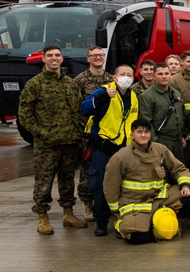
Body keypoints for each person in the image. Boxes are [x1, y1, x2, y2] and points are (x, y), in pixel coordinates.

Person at [18, 45, 88, 235]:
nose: (54, 58)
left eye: (57, 55)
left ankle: (68, 213)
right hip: (47, 144)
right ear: (43, 59)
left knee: (67, 180)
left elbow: (79, 110)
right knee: (44, 182)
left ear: (62, 58)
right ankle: (43, 217)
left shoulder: (71, 84)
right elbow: (24, 114)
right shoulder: (35, 84)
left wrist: (80, 130)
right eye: (50, 55)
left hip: (70, 141)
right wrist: (40, 133)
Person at [103, 118, 190, 243]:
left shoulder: (160, 150)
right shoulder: (121, 157)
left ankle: (160, 219)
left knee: (188, 196)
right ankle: (121, 225)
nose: (143, 135)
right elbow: (110, 186)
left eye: (146, 132)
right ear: (132, 135)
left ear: (150, 134)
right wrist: (116, 212)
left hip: (159, 198)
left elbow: (179, 168)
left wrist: (185, 186)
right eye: (139, 132)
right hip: (135, 204)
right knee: (137, 238)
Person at [82, 63, 140, 236]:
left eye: (129, 75)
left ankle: (120, 219)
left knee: (124, 186)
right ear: (114, 77)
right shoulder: (104, 91)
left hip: (124, 149)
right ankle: (101, 221)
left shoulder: (134, 96)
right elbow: (84, 109)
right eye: (123, 74)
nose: (126, 77)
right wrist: (102, 98)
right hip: (103, 147)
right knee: (101, 185)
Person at [73, 45, 113, 223]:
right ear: (88, 58)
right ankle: (88, 204)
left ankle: (106, 203)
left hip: (108, 134)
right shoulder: (80, 80)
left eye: (100, 55)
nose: (98, 57)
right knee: (87, 171)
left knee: (108, 170)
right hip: (87, 135)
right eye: (94, 55)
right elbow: (77, 109)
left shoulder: (111, 79)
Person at [138, 62, 186, 161]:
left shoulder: (176, 93)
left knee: (178, 171)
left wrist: (182, 136)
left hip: (178, 141)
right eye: (160, 74)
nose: (164, 77)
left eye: (167, 74)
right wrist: (155, 142)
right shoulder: (147, 96)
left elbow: (182, 115)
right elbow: (146, 122)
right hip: (161, 140)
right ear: (154, 76)